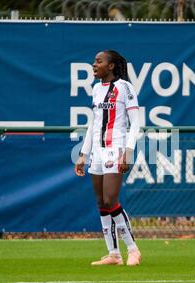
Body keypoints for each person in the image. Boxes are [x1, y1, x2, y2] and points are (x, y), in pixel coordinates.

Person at [74, 50, 141, 266]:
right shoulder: (96, 89)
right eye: (94, 61)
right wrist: (84, 154)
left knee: (111, 199)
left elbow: (136, 122)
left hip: (116, 149)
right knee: (101, 202)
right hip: (97, 153)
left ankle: (133, 250)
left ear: (111, 66)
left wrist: (128, 151)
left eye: (99, 61)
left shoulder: (124, 87)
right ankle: (114, 254)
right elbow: (93, 123)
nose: (94, 64)